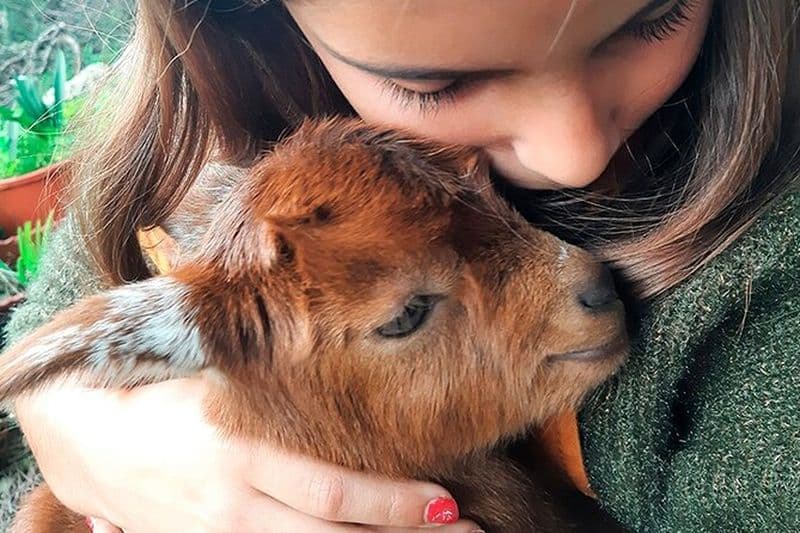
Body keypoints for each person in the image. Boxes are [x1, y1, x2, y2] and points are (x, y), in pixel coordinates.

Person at [2, 0, 799, 531]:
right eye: (431, 83)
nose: (575, 153)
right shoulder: (203, 155)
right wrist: (84, 433)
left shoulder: (760, 323)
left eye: (655, 13)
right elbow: (41, 344)